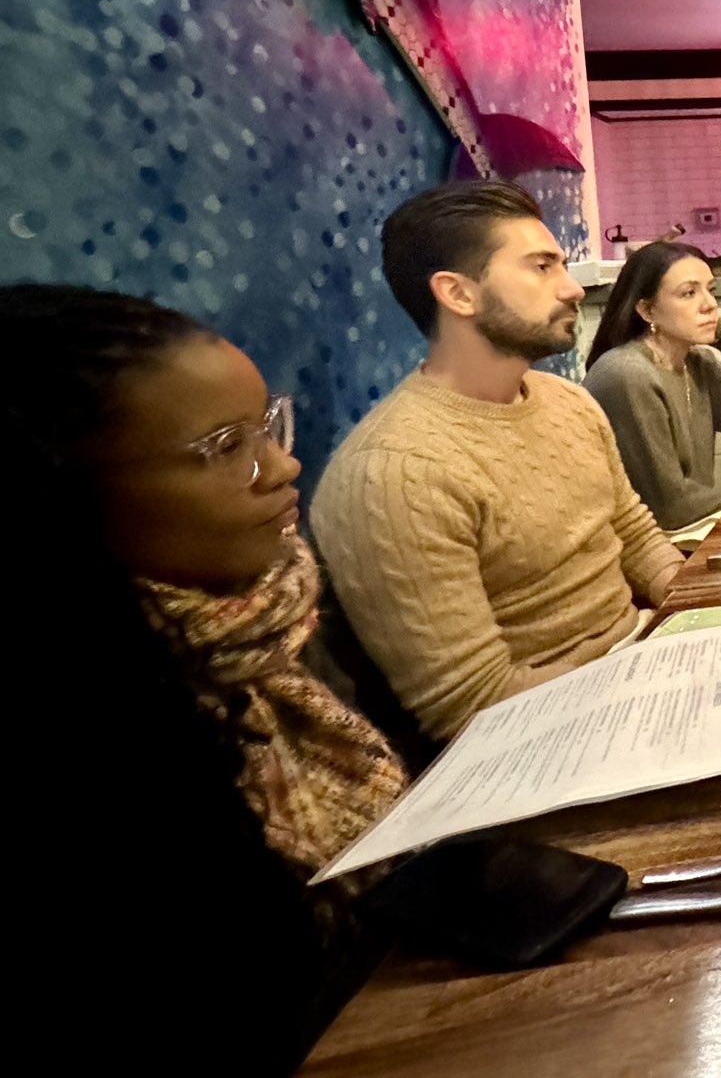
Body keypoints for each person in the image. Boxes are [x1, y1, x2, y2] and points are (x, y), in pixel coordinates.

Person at [9, 285, 405, 1073]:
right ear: (57, 493)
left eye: (267, 425)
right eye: (225, 446)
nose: (284, 462)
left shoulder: (257, 623)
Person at [313, 181, 686, 741]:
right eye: (541, 268)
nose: (572, 289)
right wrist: (637, 670)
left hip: (641, 664)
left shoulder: (569, 401)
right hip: (546, 735)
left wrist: (698, 610)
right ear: (458, 294)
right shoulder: (394, 471)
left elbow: (632, 533)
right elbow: (472, 707)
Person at [583, 240, 721, 531]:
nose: (709, 304)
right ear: (647, 311)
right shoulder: (626, 374)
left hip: (688, 534)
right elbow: (672, 509)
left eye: (711, 290)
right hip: (639, 554)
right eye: (689, 293)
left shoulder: (698, 364)